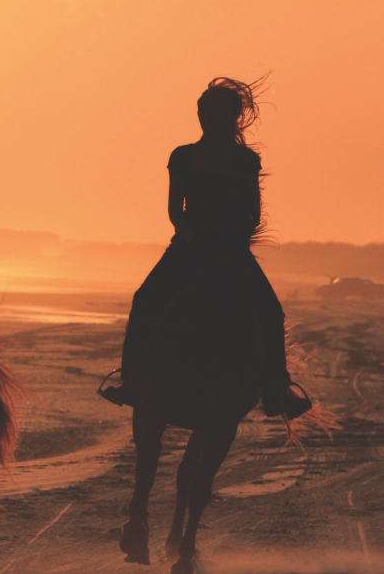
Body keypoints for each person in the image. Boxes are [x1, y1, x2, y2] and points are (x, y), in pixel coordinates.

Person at [108, 77, 310, 419]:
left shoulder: (246, 160)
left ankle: (278, 387)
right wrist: (195, 239)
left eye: (218, 113)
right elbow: (176, 211)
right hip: (187, 247)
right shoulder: (183, 156)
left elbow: (252, 214)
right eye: (205, 112)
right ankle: (131, 379)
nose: (210, 119)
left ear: (234, 117)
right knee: (144, 299)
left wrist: (230, 246)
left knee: (271, 311)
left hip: (231, 250)